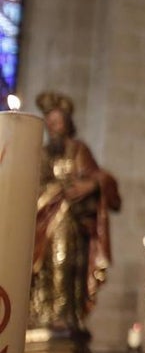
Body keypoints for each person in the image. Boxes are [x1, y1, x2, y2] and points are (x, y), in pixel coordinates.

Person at [30, 91, 121, 334]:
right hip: (42, 225)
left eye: (58, 123)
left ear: (67, 124)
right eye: (49, 124)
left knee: (68, 264)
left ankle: (65, 315)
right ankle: (44, 316)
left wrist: (91, 185)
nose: (53, 128)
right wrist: (56, 191)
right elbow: (33, 186)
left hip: (72, 222)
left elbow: (100, 178)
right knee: (44, 268)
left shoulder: (78, 149)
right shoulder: (41, 154)